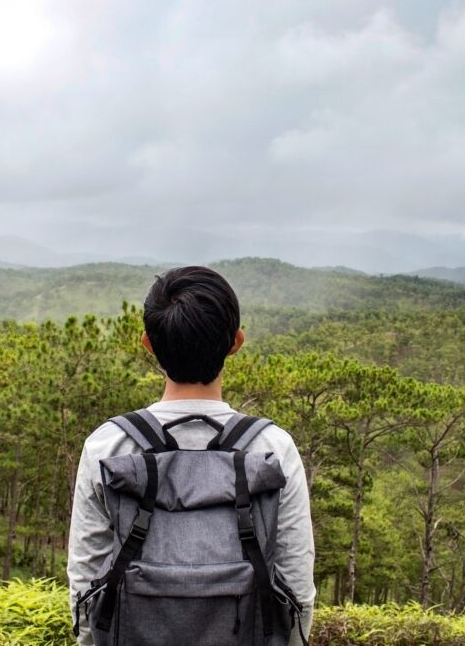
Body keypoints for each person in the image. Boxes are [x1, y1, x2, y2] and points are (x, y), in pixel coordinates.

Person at [67, 265, 316, 645]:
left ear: (148, 344)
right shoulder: (273, 448)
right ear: (236, 342)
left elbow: (85, 581)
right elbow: (296, 582)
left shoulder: (107, 445)